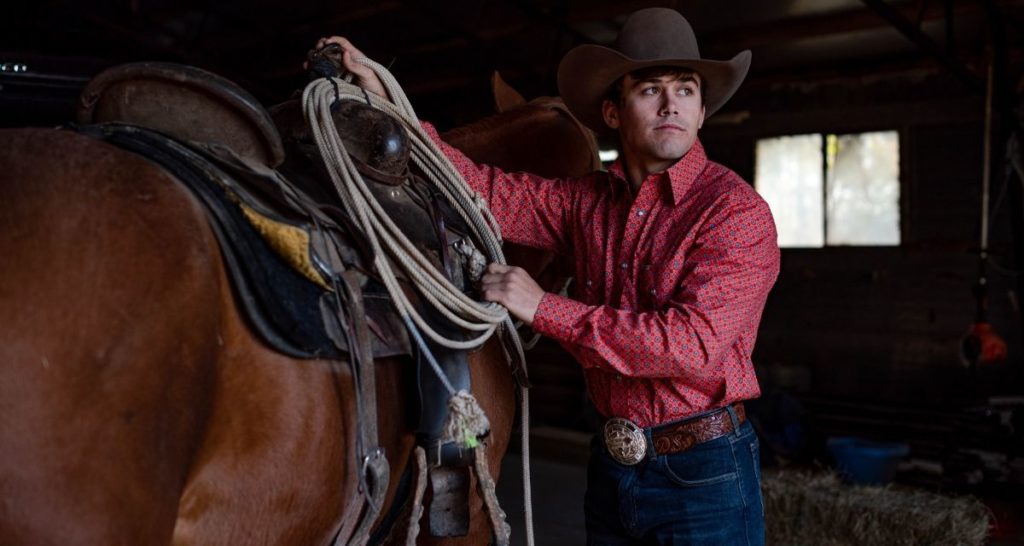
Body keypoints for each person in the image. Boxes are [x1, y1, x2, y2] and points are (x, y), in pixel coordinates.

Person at [319, 7, 779, 545]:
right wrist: (384, 100)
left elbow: (690, 344)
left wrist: (542, 307)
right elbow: (479, 188)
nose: (671, 103)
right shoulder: (585, 203)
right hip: (613, 465)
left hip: (705, 472)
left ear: (702, 113)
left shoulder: (733, 212)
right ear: (613, 111)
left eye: (685, 90)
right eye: (650, 89)